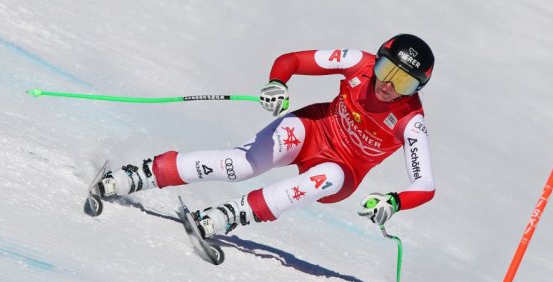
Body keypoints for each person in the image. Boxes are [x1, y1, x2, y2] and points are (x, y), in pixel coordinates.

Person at [95, 33, 436, 239]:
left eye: (404, 82)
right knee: (242, 165)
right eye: (385, 70)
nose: (388, 84)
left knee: (328, 177)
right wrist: (277, 84)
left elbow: (425, 186)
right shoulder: (356, 62)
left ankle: (229, 215)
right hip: (314, 129)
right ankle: (141, 174)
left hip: (343, 171)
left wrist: (393, 202)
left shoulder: (410, 121)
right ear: (376, 60)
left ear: (417, 88)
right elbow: (291, 60)